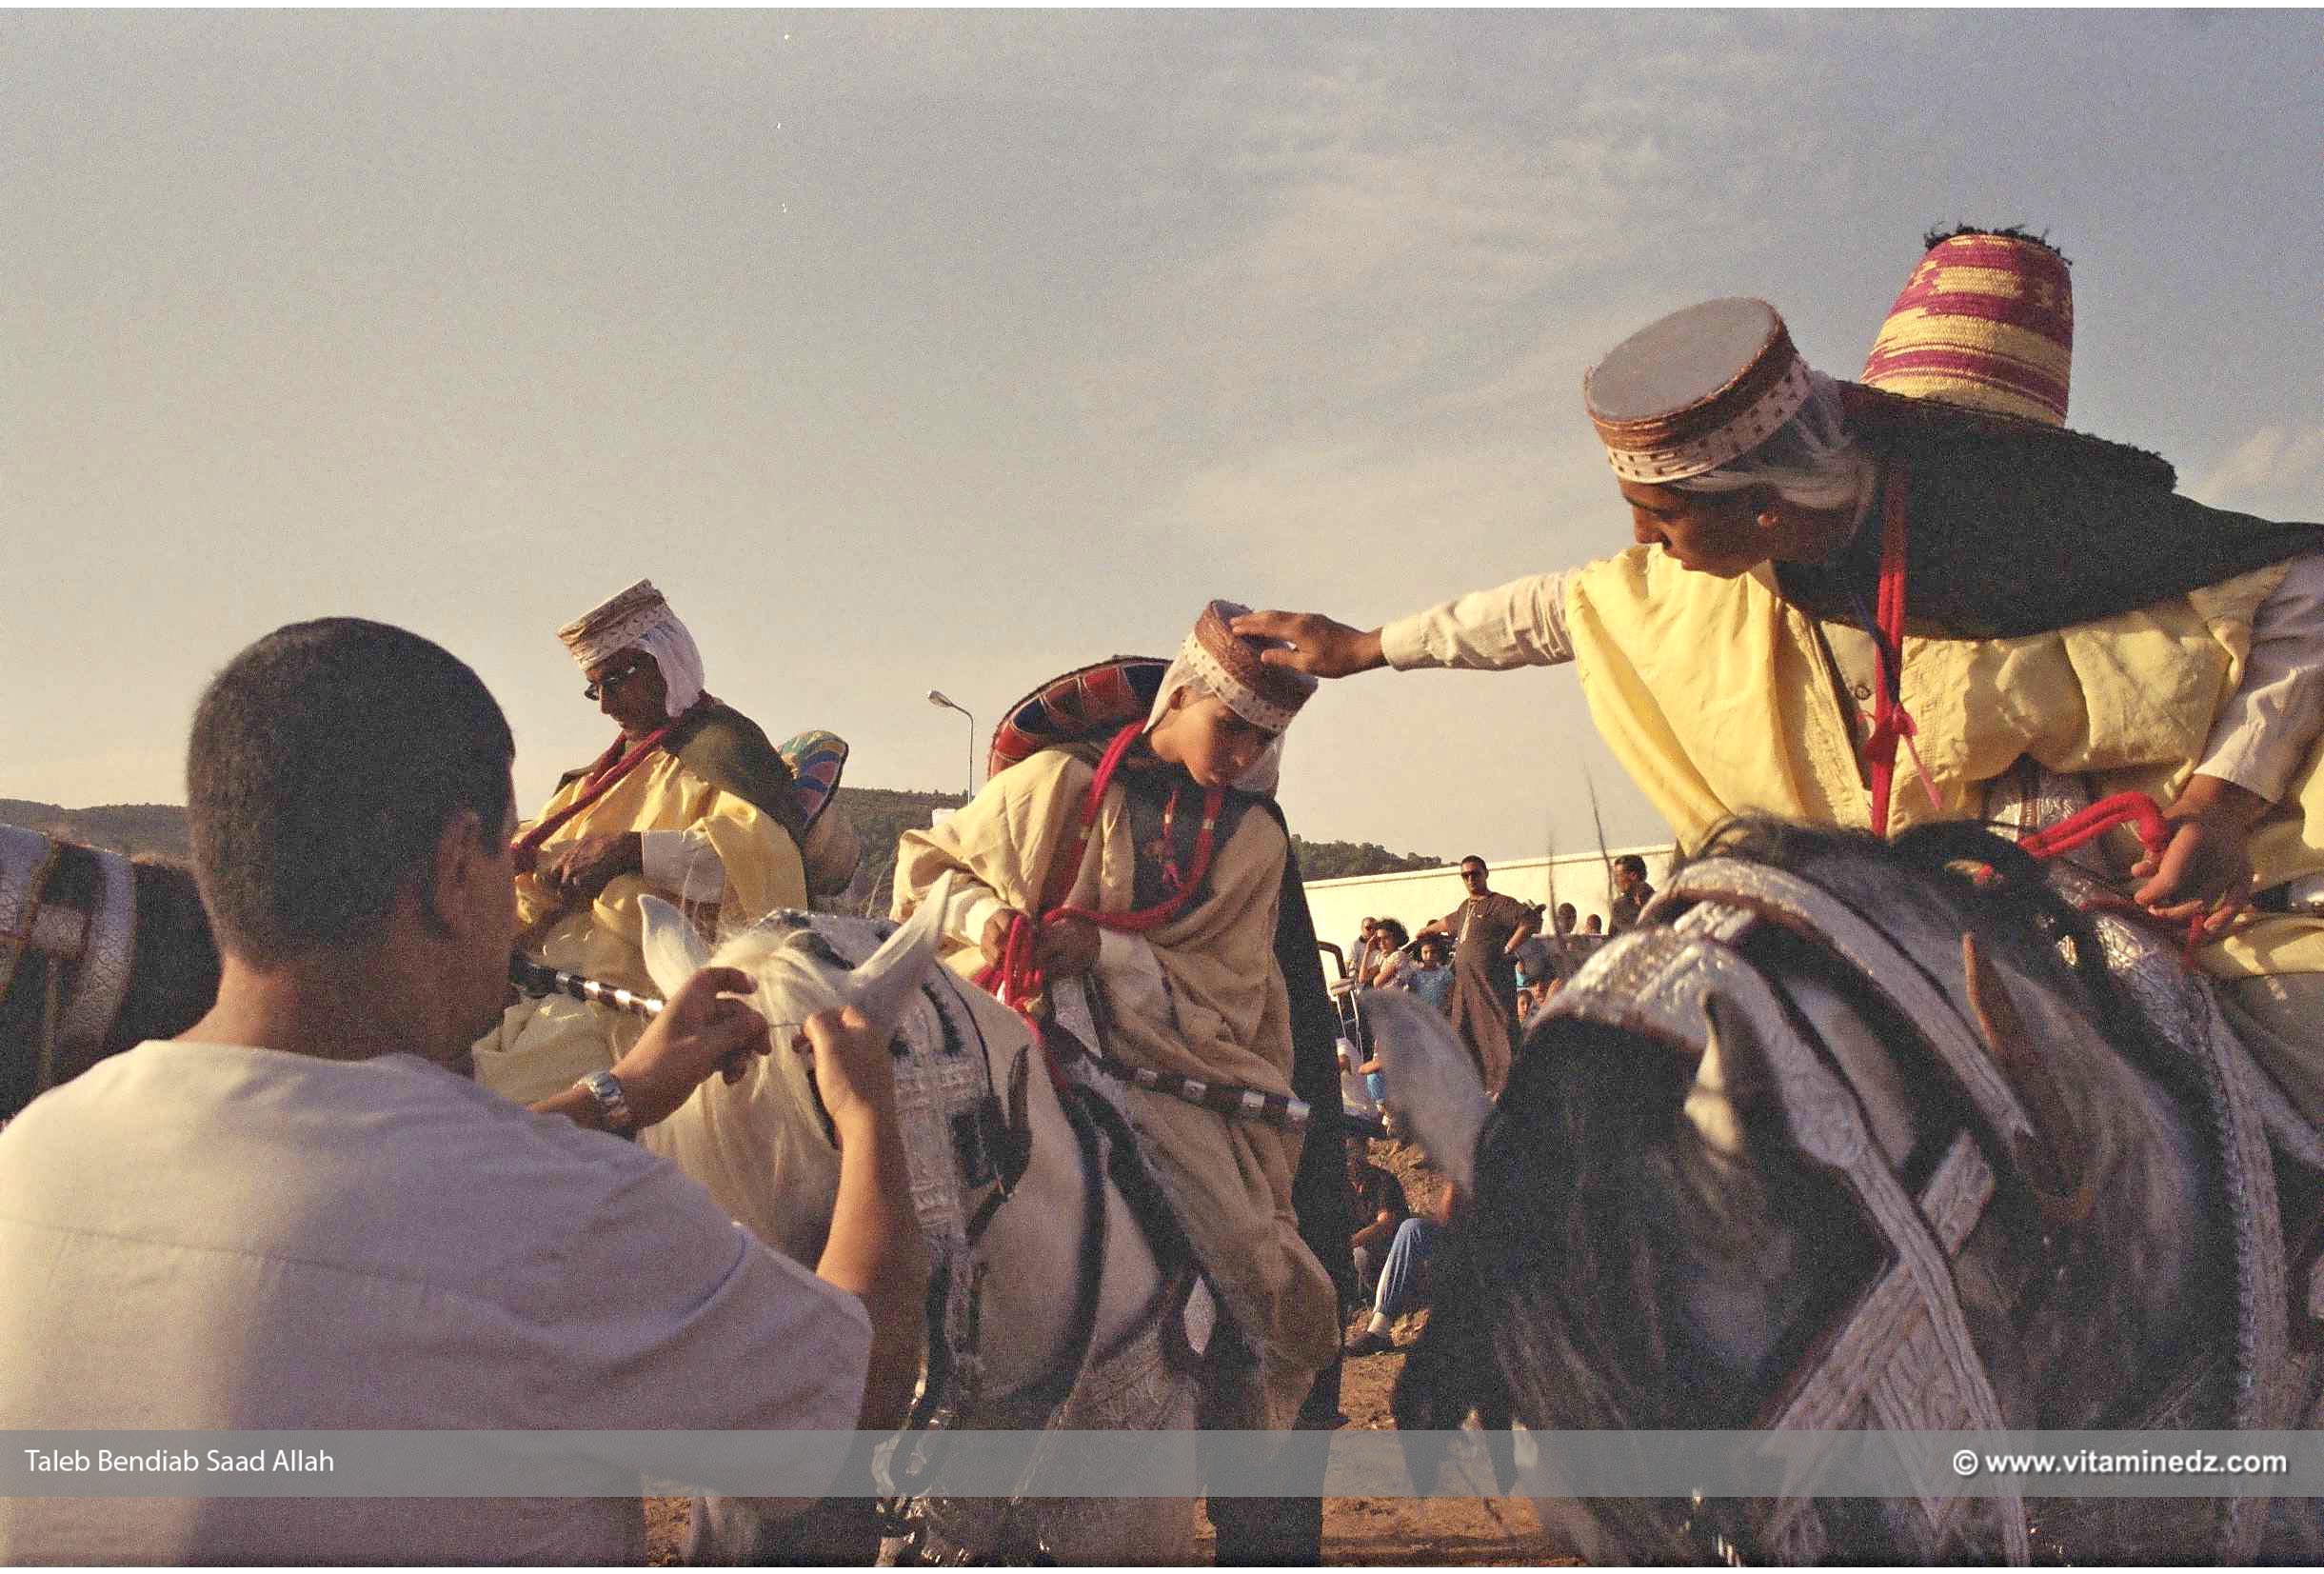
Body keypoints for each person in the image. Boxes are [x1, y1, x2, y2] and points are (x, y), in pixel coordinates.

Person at [1238, 230, 2324, 1115]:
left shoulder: (2075, 537)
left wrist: (2224, 800)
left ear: (1761, 504)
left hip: (2141, 909)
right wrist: (1364, 647)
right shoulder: (1743, 562)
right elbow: (1549, 611)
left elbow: (2299, 589)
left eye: (1660, 519)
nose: (1647, 546)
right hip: (1898, 925)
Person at [0, 619, 927, 1565]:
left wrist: (622, 1092)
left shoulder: (33, 1154)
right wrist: (864, 1119)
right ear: (453, 872)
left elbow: (385, 1196)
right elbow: (855, 1399)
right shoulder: (562, 1217)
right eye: (501, 859)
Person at [892, 601, 1341, 1437]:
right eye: (1229, 726)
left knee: (1245, 1248)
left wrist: (1099, 951)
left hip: (1162, 1055)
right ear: (1177, 695)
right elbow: (929, 869)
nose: (1241, 753)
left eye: (1260, 740)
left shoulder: (1251, 839)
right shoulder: (1051, 781)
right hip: (1002, 1014)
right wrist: (989, 918)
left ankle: (1223, 1410)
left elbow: (1229, 984)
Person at [476, 580, 811, 1106]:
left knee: (503, 1101)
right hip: (532, 975)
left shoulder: (723, 748)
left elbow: (760, 857)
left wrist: (631, 852)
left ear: (667, 658)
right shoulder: (596, 777)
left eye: (617, 679)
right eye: (595, 688)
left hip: (633, 988)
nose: (606, 704)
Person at [1419, 857, 1537, 1095]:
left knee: (1499, 1033)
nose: (1471, 879)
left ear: (1485, 873)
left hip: (1491, 985)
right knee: (1462, 1031)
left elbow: (1529, 920)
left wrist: (1508, 948)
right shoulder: (1465, 907)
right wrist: (1427, 930)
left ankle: (1511, 1090)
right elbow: (1448, 922)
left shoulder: (1499, 903)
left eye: (1475, 873)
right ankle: (1478, 1089)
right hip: (1466, 986)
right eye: (1465, 875)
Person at [1344, 1137, 1411, 1305]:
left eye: (1352, 1154)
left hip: (1393, 1252)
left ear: (1364, 1153)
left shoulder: (1384, 1182)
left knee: (1360, 1254)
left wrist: (1347, 1243)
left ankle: (1386, 1303)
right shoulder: (1344, 1188)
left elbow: (1385, 1225)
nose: (1349, 1162)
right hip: (1361, 1251)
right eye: (1345, 1156)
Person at [1608, 853, 1657, 932]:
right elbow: (1612, 938)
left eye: (1618, 876)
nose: (1615, 881)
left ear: (1633, 875)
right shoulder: (1619, 907)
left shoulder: (1659, 901)